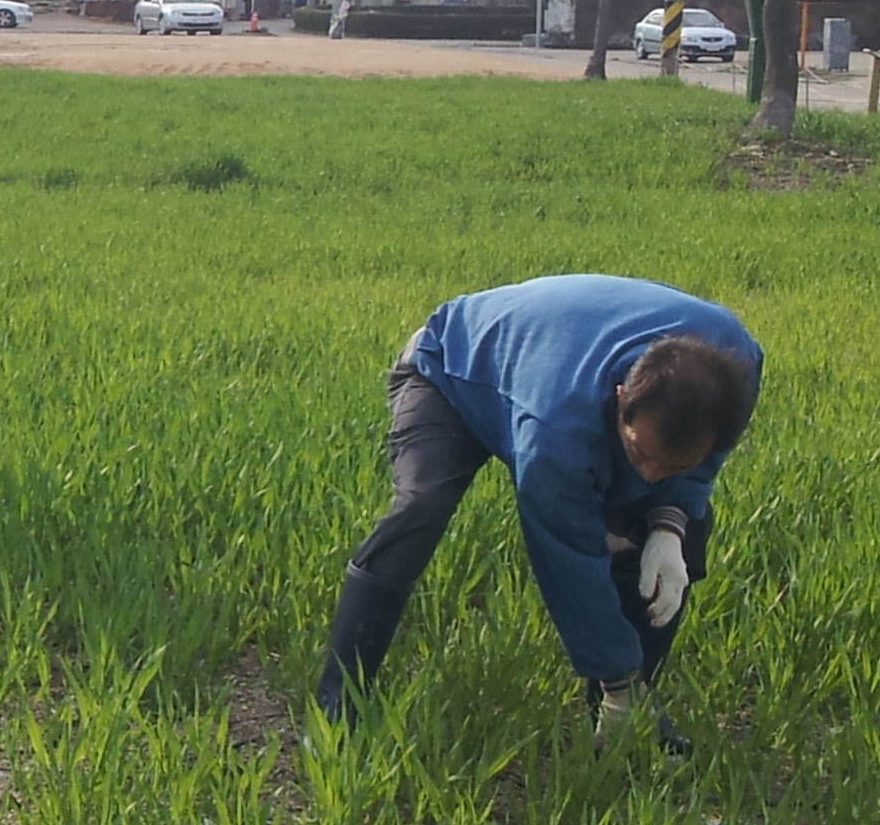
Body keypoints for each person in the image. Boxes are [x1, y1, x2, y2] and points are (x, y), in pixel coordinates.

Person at [313, 274, 764, 752]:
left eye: (670, 464)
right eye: (640, 453)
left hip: (557, 364)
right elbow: (570, 563)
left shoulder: (735, 366)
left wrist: (671, 521)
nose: (652, 474)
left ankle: (624, 718)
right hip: (452, 367)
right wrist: (618, 677)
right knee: (423, 506)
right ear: (618, 400)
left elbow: (700, 462)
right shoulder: (557, 434)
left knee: (666, 531)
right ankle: (335, 705)